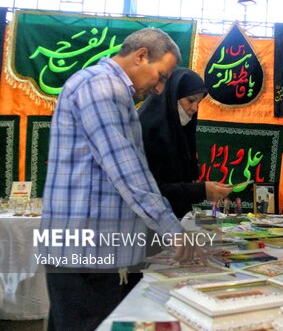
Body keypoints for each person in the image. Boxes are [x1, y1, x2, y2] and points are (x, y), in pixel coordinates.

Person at [40, 28, 198, 331]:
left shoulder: (107, 88)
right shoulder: (102, 87)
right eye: (161, 75)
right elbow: (127, 171)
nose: (160, 88)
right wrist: (172, 230)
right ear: (141, 56)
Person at [138, 68, 232, 218]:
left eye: (199, 102)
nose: (195, 108)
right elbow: (148, 189)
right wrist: (202, 190)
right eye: (191, 100)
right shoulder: (148, 129)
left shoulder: (178, 130)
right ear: (173, 95)